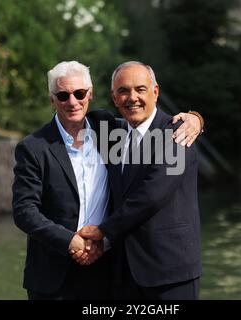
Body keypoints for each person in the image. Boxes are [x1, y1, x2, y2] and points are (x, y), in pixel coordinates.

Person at [12, 61, 204, 300]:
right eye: (63, 95)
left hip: (142, 270)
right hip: (55, 274)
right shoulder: (35, 147)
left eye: (79, 93)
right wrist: (69, 240)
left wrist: (195, 119)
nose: (72, 102)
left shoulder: (169, 134)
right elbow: (23, 211)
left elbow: (151, 196)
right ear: (52, 99)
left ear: (90, 94)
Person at [79, 61, 202, 300]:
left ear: (155, 92)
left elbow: (151, 196)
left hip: (170, 272)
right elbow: (74, 114)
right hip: (122, 273)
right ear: (114, 98)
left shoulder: (177, 133)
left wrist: (102, 231)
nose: (132, 97)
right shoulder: (110, 133)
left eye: (140, 89)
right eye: (123, 91)